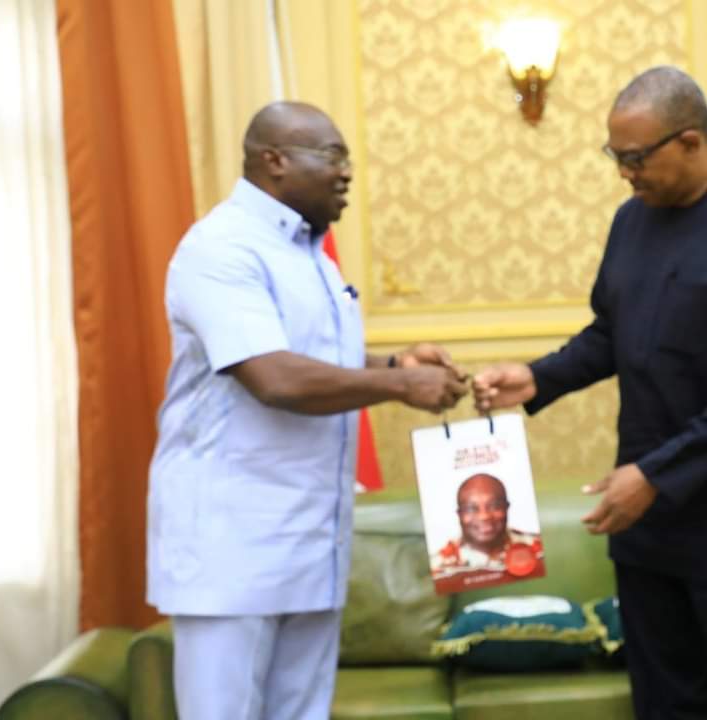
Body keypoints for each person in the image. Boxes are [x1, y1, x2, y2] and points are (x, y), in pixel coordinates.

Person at [473, 67, 707, 720]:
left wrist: (657, 475)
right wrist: (539, 376)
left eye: (635, 157)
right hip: (647, 517)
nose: (624, 173)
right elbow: (615, 333)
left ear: (690, 141)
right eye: (617, 156)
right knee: (664, 701)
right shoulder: (633, 221)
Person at [146, 101, 467, 720]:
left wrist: (395, 366)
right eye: (332, 156)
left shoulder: (310, 257)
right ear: (275, 161)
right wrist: (401, 390)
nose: (347, 172)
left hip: (310, 539)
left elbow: (320, 355)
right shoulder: (221, 248)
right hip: (232, 546)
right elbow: (273, 377)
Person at [430, 473, 542, 573]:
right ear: (459, 515)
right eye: (471, 509)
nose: (484, 516)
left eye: (494, 506)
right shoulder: (437, 567)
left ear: (506, 508)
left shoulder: (539, 550)